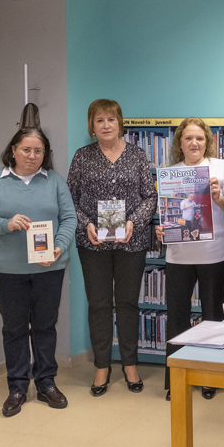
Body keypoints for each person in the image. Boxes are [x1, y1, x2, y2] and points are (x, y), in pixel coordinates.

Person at [0, 128, 77, 417]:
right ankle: (17, 387)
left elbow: (69, 218)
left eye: (38, 151)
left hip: (49, 267)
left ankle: (46, 383)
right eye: (26, 149)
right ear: (14, 150)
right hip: (8, 270)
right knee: (14, 329)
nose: (32, 156)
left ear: (45, 154)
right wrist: (7, 223)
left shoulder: (54, 181)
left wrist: (58, 246)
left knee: (45, 326)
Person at [67, 99, 157, 397]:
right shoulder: (82, 157)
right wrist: (86, 224)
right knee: (100, 305)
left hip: (132, 241)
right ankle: (102, 366)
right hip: (93, 243)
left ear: (121, 123)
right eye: (99, 120)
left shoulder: (138, 155)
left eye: (111, 119)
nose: (106, 125)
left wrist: (134, 222)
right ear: (92, 126)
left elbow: (150, 197)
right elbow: (70, 199)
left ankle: (130, 364)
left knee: (129, 303)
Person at [157, 117, 224, 401]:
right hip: (178, 257)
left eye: (199, 138)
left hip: (215, 254)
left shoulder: (222, 168)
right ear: (180, 143)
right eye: (188, 138)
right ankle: (176, 382)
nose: (194, 143)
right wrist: (162, 229)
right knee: (177, 318)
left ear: (207, 141)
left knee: (212, 316)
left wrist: (218, 198)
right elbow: (169, 215)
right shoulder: (169, 174)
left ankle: (209, 378)